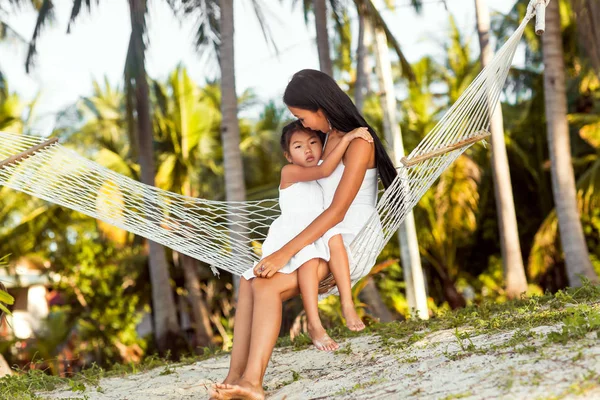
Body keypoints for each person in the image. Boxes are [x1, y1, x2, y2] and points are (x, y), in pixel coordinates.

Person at [210, 69, 398, 400]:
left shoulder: (361, 143)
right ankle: (234, 377)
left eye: (302, 116)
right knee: (250, 280)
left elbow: (337, 211)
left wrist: (283, 253)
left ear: (319, 106)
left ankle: (253, 382)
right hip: (318, 236)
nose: (304, 125)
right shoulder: (329, 140)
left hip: (346, 238)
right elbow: (319, 182)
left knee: (266, 284)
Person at [242, 120, 371, 352]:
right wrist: (347, 139)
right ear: (288, 156)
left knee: (336, 240)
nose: (308, 150)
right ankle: (314, 323)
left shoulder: (320, 168)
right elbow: (324, 170)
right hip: (293, 231)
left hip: (317, 228)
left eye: (313, 142)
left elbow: (331, 174)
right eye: (298, 147)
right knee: (309, 259)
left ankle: (347, 303)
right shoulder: (290, 171)